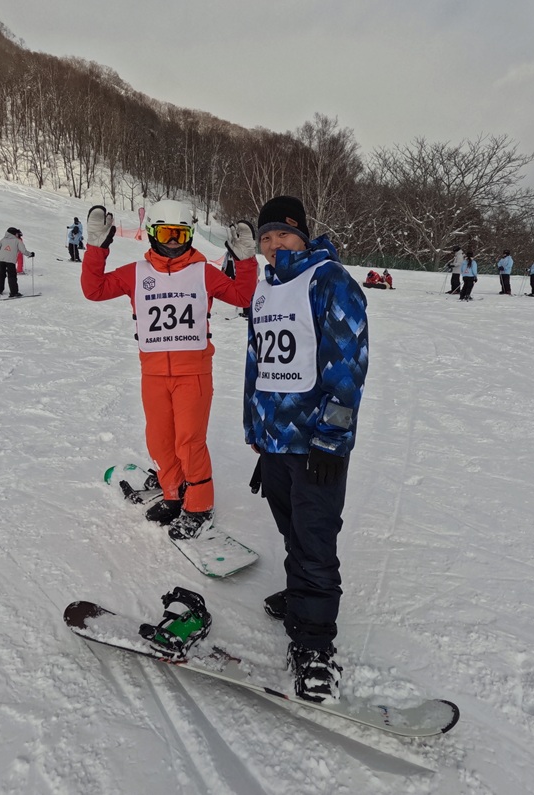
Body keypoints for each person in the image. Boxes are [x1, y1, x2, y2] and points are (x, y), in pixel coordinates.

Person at [245, 195, 369, 703]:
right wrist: (258, 435)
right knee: (292, 529)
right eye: (266, 238)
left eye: (283, 235)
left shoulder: (330, 280)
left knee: (315, 543)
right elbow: (260, 366)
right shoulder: (266, 289)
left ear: (303, 235)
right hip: (276, 443)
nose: (274, 246)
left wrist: (332, 438)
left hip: (317, 444)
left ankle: (315, 648)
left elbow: (348, 366)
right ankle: (301, 598)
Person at [81, 200, 258, 540]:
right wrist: (95, 247)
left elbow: (244, 296)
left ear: (189, 234)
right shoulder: (136, 273)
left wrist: (246, 260)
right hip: (153, 374)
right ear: (152, 233)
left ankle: (199, 505)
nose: (174, 241)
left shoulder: (203, 272)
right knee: (161, 442)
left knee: (190, 442)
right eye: (166, 233)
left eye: (180, 234)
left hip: (194, 373)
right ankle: (175, 494)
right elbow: (94, 289)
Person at [0, 227, 34, 297]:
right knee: (12, 276)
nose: (18, 234)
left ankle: (0, 290)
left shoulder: (3, 240)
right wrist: (31, 254)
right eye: (16, 233)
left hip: (1, 260)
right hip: (10, 261)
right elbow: (23, 251)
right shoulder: (17, 241)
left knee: (1, 275)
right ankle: (14, 292)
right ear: (13, 233)